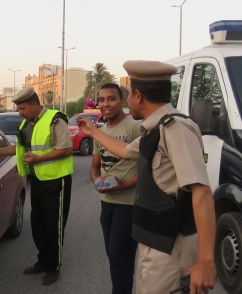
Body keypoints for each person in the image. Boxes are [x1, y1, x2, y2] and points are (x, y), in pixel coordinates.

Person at [77, 60, 216, 294]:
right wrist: (92, 132)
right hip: (154, 241)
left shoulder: (175, 128)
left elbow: (201, 193)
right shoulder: (156, 130)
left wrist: (206, 261)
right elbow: (124, 151)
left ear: (137, 96)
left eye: (129, 93)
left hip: (172, 245)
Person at [0, 86, 73, 285]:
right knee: (37, 224)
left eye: (23, 108)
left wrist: (37, 158)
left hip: (56, 181)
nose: (20, 112)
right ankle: (43, 261)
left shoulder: (54, 120)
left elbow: (66, 149)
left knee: (54, 226)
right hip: (38, 181)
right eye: (19, 109)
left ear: (35, 104)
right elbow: (20, 148)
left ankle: (54, 266)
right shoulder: (26, 123)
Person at [90, 83, 142, 294]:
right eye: (101, 100)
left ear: (122, 100)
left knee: (120, 258)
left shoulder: (134, 127)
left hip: (128, 205)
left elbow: (151, 168)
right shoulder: (100, 132)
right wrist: (96, 182)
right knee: (114, 257)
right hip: (107, 204)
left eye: (111, 99)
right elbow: (95, 166)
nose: (105, 104)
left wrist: (125, 184)